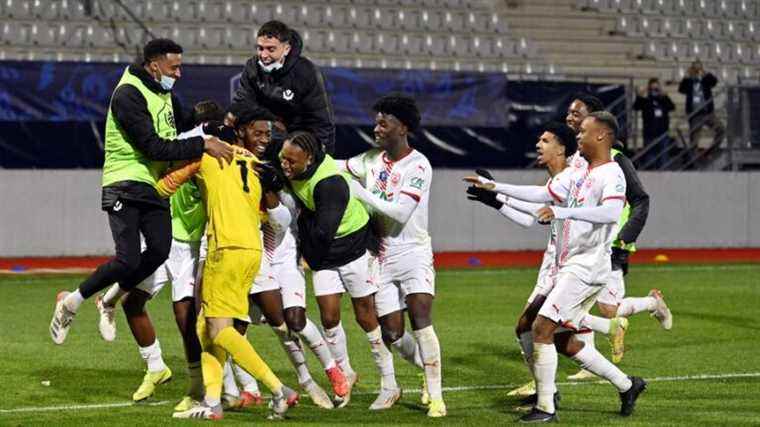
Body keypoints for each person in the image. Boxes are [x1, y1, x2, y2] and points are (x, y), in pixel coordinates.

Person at [50, 38, 234, 345]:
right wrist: (203, 144)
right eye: (174, 67)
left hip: (149, 184)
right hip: (124, 181)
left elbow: (186, 119)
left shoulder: (162, 92)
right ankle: (71, 302)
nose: (179, 73)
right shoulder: (128, 95)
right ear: (154, 65)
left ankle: (107, 301)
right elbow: (153, 147)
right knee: (127, 260)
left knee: (159, 250)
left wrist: (216, 121)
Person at [466, 112, 647, 422]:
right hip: (569, 266)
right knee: (556, 337)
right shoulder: (582, 173)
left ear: (602, 136)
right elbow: (544, 196)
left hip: (587, 266)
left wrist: (563, 213)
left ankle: (546, 406)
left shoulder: (612, 173)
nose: (579, 137)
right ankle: (626, 384)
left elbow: (609, 213)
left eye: (584, 132)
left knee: (539, 327)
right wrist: (494, 187)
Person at [153, 133, 299, 421]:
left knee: (219, 331)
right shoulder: (253, 161)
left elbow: (163, 188)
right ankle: (212, 401)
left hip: (225, 248)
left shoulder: (206, 154)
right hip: (251, 251)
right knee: (205, 328)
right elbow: (278, 217)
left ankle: (279, 389)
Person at [94, 100, 225, 409]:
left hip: (194, 244)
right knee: (134, 302)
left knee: (186, 318)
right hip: (166, 237)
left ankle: (198, 388)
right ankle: (155, 366)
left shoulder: (217, 156)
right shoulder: (179, 147)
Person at [221, 107, 349, 410]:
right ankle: (254, 388)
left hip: (285, 252)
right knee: (245, 326)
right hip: (254, 254)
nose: (265, 139)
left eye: (268, 133)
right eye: (259, 133)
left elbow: (281, 221)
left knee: (291, 320)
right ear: (241, 132)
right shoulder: (229, 161)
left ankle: (329, 371)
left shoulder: (281, 166)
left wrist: (272, 187)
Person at [342, 94, 445, 416]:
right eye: (376, 121)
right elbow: (335, 165)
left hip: (414, 253)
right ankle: (426, 371)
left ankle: (437, 395)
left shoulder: (418, 165)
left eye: (383, 122)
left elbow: (401, 212)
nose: (376, 127)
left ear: (402, 128)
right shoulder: (371, 159)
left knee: (421, 319)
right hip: (382, 256)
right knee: (392, 333)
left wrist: (359, 193)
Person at [279, 131, 396, 409]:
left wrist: (303, 222)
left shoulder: (329, 184)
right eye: (283, 158)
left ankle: (389, 383)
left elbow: (321, 233)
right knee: (328, 317)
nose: (285, 165)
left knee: (365, 316)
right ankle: (346, 372)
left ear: (308, 159)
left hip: (352, 246)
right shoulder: (290, 160)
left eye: (291, 162)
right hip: (325, 253)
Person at [563, 94, 668, 381]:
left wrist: (626, 234)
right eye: (570, 113)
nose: (570, 118)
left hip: (612, 242)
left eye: (577, 114)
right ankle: (590, 359)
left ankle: (652, 304)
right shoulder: (577, 159)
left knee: (606, 308)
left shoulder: (616, 159)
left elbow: (641, 199)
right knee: (579, 301)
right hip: (582, 243)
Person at [232, 20, 335, 154]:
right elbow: (241, 106)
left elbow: (321, 121)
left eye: (271, 49)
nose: (263, 55)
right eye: (260, 48)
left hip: (299, 139)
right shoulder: (252, 67)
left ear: (286, 49)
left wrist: (321, 157)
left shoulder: (307, 72)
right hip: (266, 132)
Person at [678, 60, 725, 148]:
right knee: (694, 139)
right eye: (695, 67)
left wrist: (704, 73)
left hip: (707, 112)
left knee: (721, 130)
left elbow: (714, 82)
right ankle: (693, 158)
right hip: (695, 113)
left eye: (699, 67)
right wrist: (686, 76)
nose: (697, 69)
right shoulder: (689, 80)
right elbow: (681, 90)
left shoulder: (705, 79)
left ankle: (712, 150)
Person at [633, 78, 675, 169]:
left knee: (664, 157)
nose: (654, 92)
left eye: (656, 89)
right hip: (649, 133)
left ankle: (664, 177)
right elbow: (636, 107)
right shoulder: (646, 100)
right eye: (652, 89)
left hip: (662, 132)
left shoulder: (663, 100)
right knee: (650, 158)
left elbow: (672, 107)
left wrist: (665, 96)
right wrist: (640, 95)